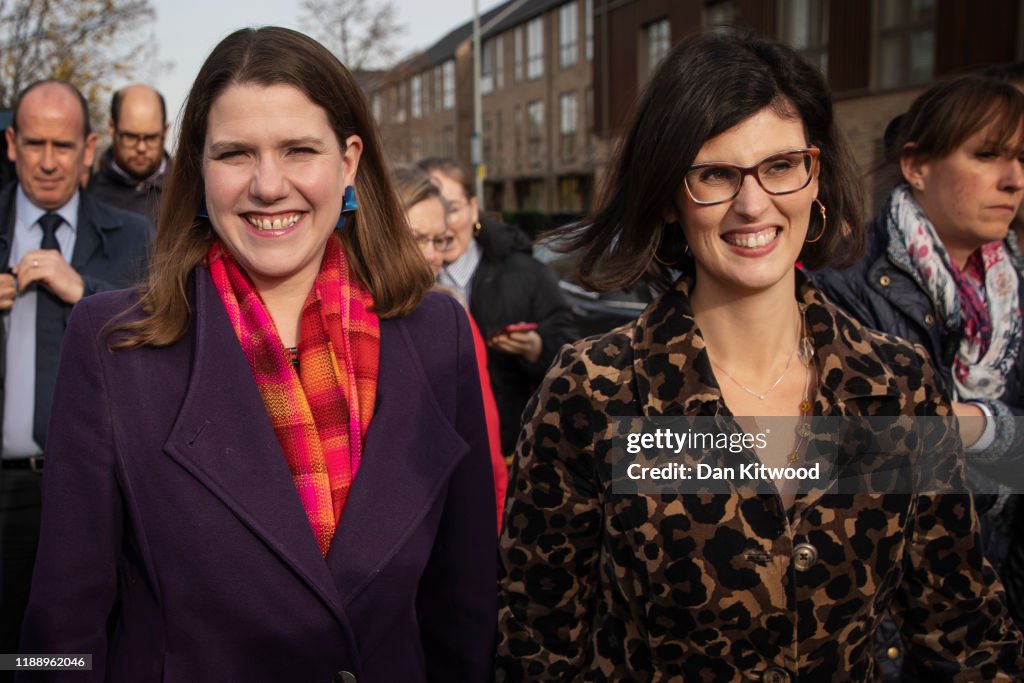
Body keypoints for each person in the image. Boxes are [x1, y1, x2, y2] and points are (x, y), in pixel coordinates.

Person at [497, 31, 1024, 681]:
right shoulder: (597, 389)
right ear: (668, 195)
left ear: (816, 177)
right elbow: (539, 644)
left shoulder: (892, 385)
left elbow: (962, 630)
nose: (753, 203)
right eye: (715, 174)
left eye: (780, 166)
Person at [20, 27, 496, 681]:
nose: (268, 185)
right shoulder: (112, 345)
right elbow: (56, 632)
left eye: (299, 149)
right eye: (236, 154)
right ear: (198, 165)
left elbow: (466, 609)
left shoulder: (437, 334)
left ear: (350, 159)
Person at [814, 74, 1024, 672]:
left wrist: (978, 426)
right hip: (885, 629)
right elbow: (841, 465)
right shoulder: (842, 291)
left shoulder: (1018, 295)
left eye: (1021, 159)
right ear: (917, 165)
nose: (1013, 180)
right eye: (986, 155)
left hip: (998, 609)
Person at [0, 80, 150, 669]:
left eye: (62, 146)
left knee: (64, 658)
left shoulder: (132, 235)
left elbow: (160, 337)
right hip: (4, 489)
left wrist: (84, 290)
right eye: (33, 142)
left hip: (92, 495)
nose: (46, 161)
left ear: (90, 149)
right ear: (10, 143)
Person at [418, 157, 577, 456]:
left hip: (510, 448)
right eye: (433, 209)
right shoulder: (403, 283)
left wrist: (535, 347)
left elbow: (569, 352)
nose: (444, 224)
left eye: (451, 209)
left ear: (473, 207)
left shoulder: (524, 272)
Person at [391, 163, 508, 530]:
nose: (431, 256)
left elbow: (485, 457)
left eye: (437, 240)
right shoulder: (334, 315)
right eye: (415, 239)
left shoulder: (450, 323)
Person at [88, 84, 170, 231]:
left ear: (165, 131)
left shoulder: (190, 196)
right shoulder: (88, 195)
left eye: (151, 138)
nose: (141, 148)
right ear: (112, 128)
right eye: (130, 137)